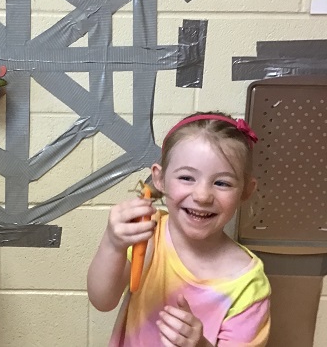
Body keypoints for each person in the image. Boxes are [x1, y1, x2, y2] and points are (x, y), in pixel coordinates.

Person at [87, 112, 271, 346]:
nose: (202, 196)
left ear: (246, 190)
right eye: (186, 177)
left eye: (222, 183)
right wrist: (112, 244)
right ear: (160, 179)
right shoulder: (149, 233)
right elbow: (102, 300)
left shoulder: (248, 283)